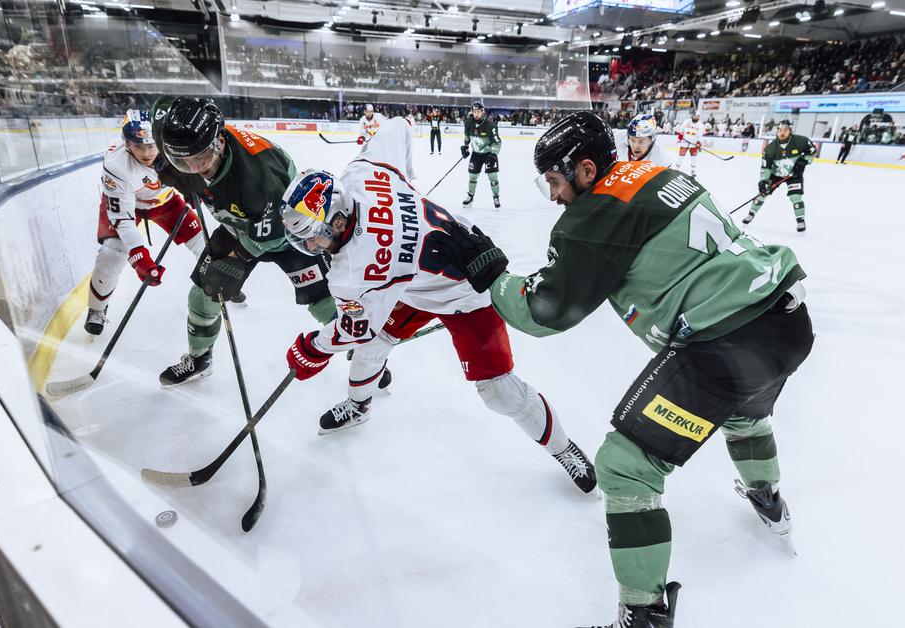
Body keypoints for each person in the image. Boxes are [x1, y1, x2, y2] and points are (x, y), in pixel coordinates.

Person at [425, 111, 814, 628]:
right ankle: (767, 496)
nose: (555, 195)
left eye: (557, 182)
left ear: (586, 170)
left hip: (725, 342)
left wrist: (492, 274)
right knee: (744, 410)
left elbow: (545, 313)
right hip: (786, 320)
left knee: (625, 467)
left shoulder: (594, 216)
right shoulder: (660, 173)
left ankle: (644, 615)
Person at [276, 117, 598, 490]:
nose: (310, 248)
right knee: (374, 343)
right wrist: (405, 190)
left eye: (312, 237)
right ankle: (359, 405)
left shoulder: (354, 272)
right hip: (416, 281)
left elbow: (351, 329)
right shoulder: (362, 173)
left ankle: (563, 448)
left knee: (497, 389)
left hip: (467, 292)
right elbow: (398, 125)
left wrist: (311, 349)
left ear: (334, 220)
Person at [150, 96, 339, 386]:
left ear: (220, 140)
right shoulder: (188, 145)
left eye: (201, 157)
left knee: (324, 302)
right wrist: (175, 173)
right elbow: (160, 114)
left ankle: (361, 348)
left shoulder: (257, 177)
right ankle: (200, 358)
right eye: (183, 161)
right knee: (202, 296)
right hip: (238, 227)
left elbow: (273, 231)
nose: (196, 166)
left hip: (290, 234)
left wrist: (236, 260)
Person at [84, 110, 206, 335]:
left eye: (151, 145)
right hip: (128, 206)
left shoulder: (176, 145)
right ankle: (97, 309)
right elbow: (123, 220)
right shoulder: (116, 164)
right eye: (139, 146)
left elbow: (201, 170)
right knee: (112, 253)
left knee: (204, 245)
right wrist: (140, 257)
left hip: (166, 202)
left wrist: (195, 188)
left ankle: (216, 286)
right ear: (127, 143)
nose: (147, 152)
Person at [742, 119, 816, 232]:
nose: (782, 133)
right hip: (776, 175)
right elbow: (765, 167)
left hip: (794, 174)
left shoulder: (801, 141)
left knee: (795, 196)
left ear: (790, 131)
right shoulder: (770, 149)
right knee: (762, 194)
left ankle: (800, 220)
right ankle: (751, 214)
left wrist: (803, 161)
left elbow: (812, 151)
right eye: (780, 130)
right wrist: (763, 181)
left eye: (785, 130)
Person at [460, 101, 502, 208]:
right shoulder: (469, 122)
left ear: (482, 112)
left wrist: (493, 154)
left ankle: (496, 197)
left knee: (493, 177)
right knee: (472, 176)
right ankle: (470, 196)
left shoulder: (490, 125)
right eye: (474, 111)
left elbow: (497, 142)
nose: (476, 114)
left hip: (489, 155)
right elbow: (467, 137)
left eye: (478, 111)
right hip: (476, 154)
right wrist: (465, 146)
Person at [675, 111, 706, 177]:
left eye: (698, 116)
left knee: (693, 158)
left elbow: (700, 136)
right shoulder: (686, 121)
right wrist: (680, 136)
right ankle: (676, 169)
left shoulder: (701, 125)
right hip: (684, 142)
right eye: (695, 116)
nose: (696, 117)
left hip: (693, 144)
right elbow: (681, 129)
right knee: (681, 156)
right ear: (692, 116)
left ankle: (693, 170)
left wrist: (698, 143)